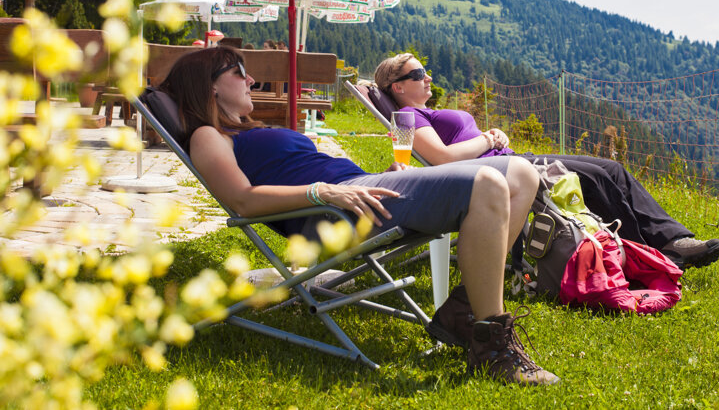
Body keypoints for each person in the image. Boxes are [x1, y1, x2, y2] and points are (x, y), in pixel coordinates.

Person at [158, 46, 560, 387]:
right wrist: (323, 191)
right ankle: (492, 347)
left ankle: (464, 310)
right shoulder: (208, 136)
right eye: (239, 73)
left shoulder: (246, 129)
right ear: (210, 84)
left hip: (360, 187)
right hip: (335, 212)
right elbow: (242, 200)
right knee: (489, 183)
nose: (250, 81)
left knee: (521, 173)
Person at [374, 53, 719, 271]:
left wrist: (493, 136)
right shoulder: (408, 117)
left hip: (508, 159)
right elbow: (442, 158)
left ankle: (673, 239)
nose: (428, 78)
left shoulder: (427, 111)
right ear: (398, 86)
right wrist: (487, 138)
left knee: (612, 168)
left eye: (425, 72)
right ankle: (655, 252)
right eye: (418, 74)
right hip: (504, 172)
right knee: (596, 177)